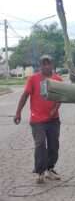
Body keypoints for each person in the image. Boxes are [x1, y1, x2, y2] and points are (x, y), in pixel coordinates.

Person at [14, 55, 63, 184]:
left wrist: (55, 109)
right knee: (40, 144)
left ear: (52, 64)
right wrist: (18, 112)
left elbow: (61, 98)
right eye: (43, 64)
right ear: (40, 66)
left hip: (53, 119)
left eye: (48, 63)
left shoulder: (58, 79)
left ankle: (50, 169)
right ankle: (40, 172)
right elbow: (25, 96)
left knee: (54, 146)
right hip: (37, 120)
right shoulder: (33, 79)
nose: (46, 66)